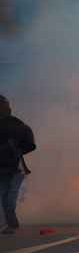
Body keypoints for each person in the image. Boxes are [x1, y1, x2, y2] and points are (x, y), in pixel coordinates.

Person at [0, 95, 36, 234]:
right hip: (4, 169)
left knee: (8, 200)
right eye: (5, 106)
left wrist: (15, 153)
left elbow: (28, 144)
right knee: (5, 199)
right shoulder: (20, 127)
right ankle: (11, 225)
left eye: (7, 106)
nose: (7, 108)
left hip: (15, 170)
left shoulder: (19, 127)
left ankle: (12, 226)